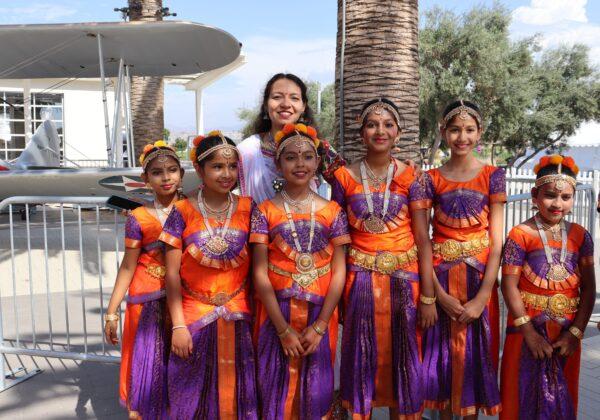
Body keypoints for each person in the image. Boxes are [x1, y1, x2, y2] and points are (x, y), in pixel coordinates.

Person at [329, 98, 436, 418]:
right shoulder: (343, 177)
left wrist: (429, 296)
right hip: (359, 281)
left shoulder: (414, 178)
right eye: (372, 124)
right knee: (361, 358)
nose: (380, 130)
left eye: (388, 124)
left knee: (404, 361)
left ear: (399, 132)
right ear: (361, 133)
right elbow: (340, 241)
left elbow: (422, 238)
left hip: (406, 282)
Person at [250, 123, 350, 419]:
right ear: (278, 165)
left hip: (320, 315)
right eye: (291, 157)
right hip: (274, 314)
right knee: (274, 389)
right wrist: (282, 330)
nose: (300, 163)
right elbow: (259, 273)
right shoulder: (264, 211)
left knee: (315, 392)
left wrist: (320, 326)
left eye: (307, 156)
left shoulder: (333, 212)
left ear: (318, 163)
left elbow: (339, 271)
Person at [160, 131, 258, 419]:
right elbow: (172, 274)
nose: (226, 174)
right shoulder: (181, 211)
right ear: (200, 170)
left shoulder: (250, 209)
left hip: (239, 315)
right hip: (193, 317)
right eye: (217, 167)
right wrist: (178, 326)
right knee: (190, 394)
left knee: (238, 394)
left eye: (231, 166)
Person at [421, 100, 504, 418]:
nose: (462, 136)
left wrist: (483, 297)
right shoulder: (430, 179)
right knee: (443, 365)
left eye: (469, 129)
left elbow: (496, 243)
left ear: (479, 132)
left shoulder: (492, 176)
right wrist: (436, 295)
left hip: (478, 283)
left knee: (474, 361)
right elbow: (424, 242)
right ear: (443, 132)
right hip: (441, 280)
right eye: (454, 129)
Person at [500, 155, 595, 419]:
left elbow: (589, 288)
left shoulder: (580, 235)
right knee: (519, 396)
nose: (558, 203)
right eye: (550, 195)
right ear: (534, 195)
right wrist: (529, 332)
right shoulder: (520, 235)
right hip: (525, 330)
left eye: (566, 197)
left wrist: (575, 333)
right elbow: (508, 285)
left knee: (562, 398)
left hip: (565, 333)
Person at [104, 140, 183, 419]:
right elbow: (127, 266)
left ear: (181, 175)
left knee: (181, 367)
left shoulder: (193, 211)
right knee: (147, 365)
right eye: (158, 172)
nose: (166, 177)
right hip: (145, 301)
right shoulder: (138, 217)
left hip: (185, 302)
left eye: (172, 170)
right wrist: (112, 312)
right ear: (145, 180)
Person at [237, 73, 343, 204]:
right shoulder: (247, 151)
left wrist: (332, 215)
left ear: (303, 106)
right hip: (256, 222)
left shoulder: (319, 147)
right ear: (265, 104)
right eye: (277, 97)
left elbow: (346, 185)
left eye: (294, 98)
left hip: (310, 221)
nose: (286, 104)